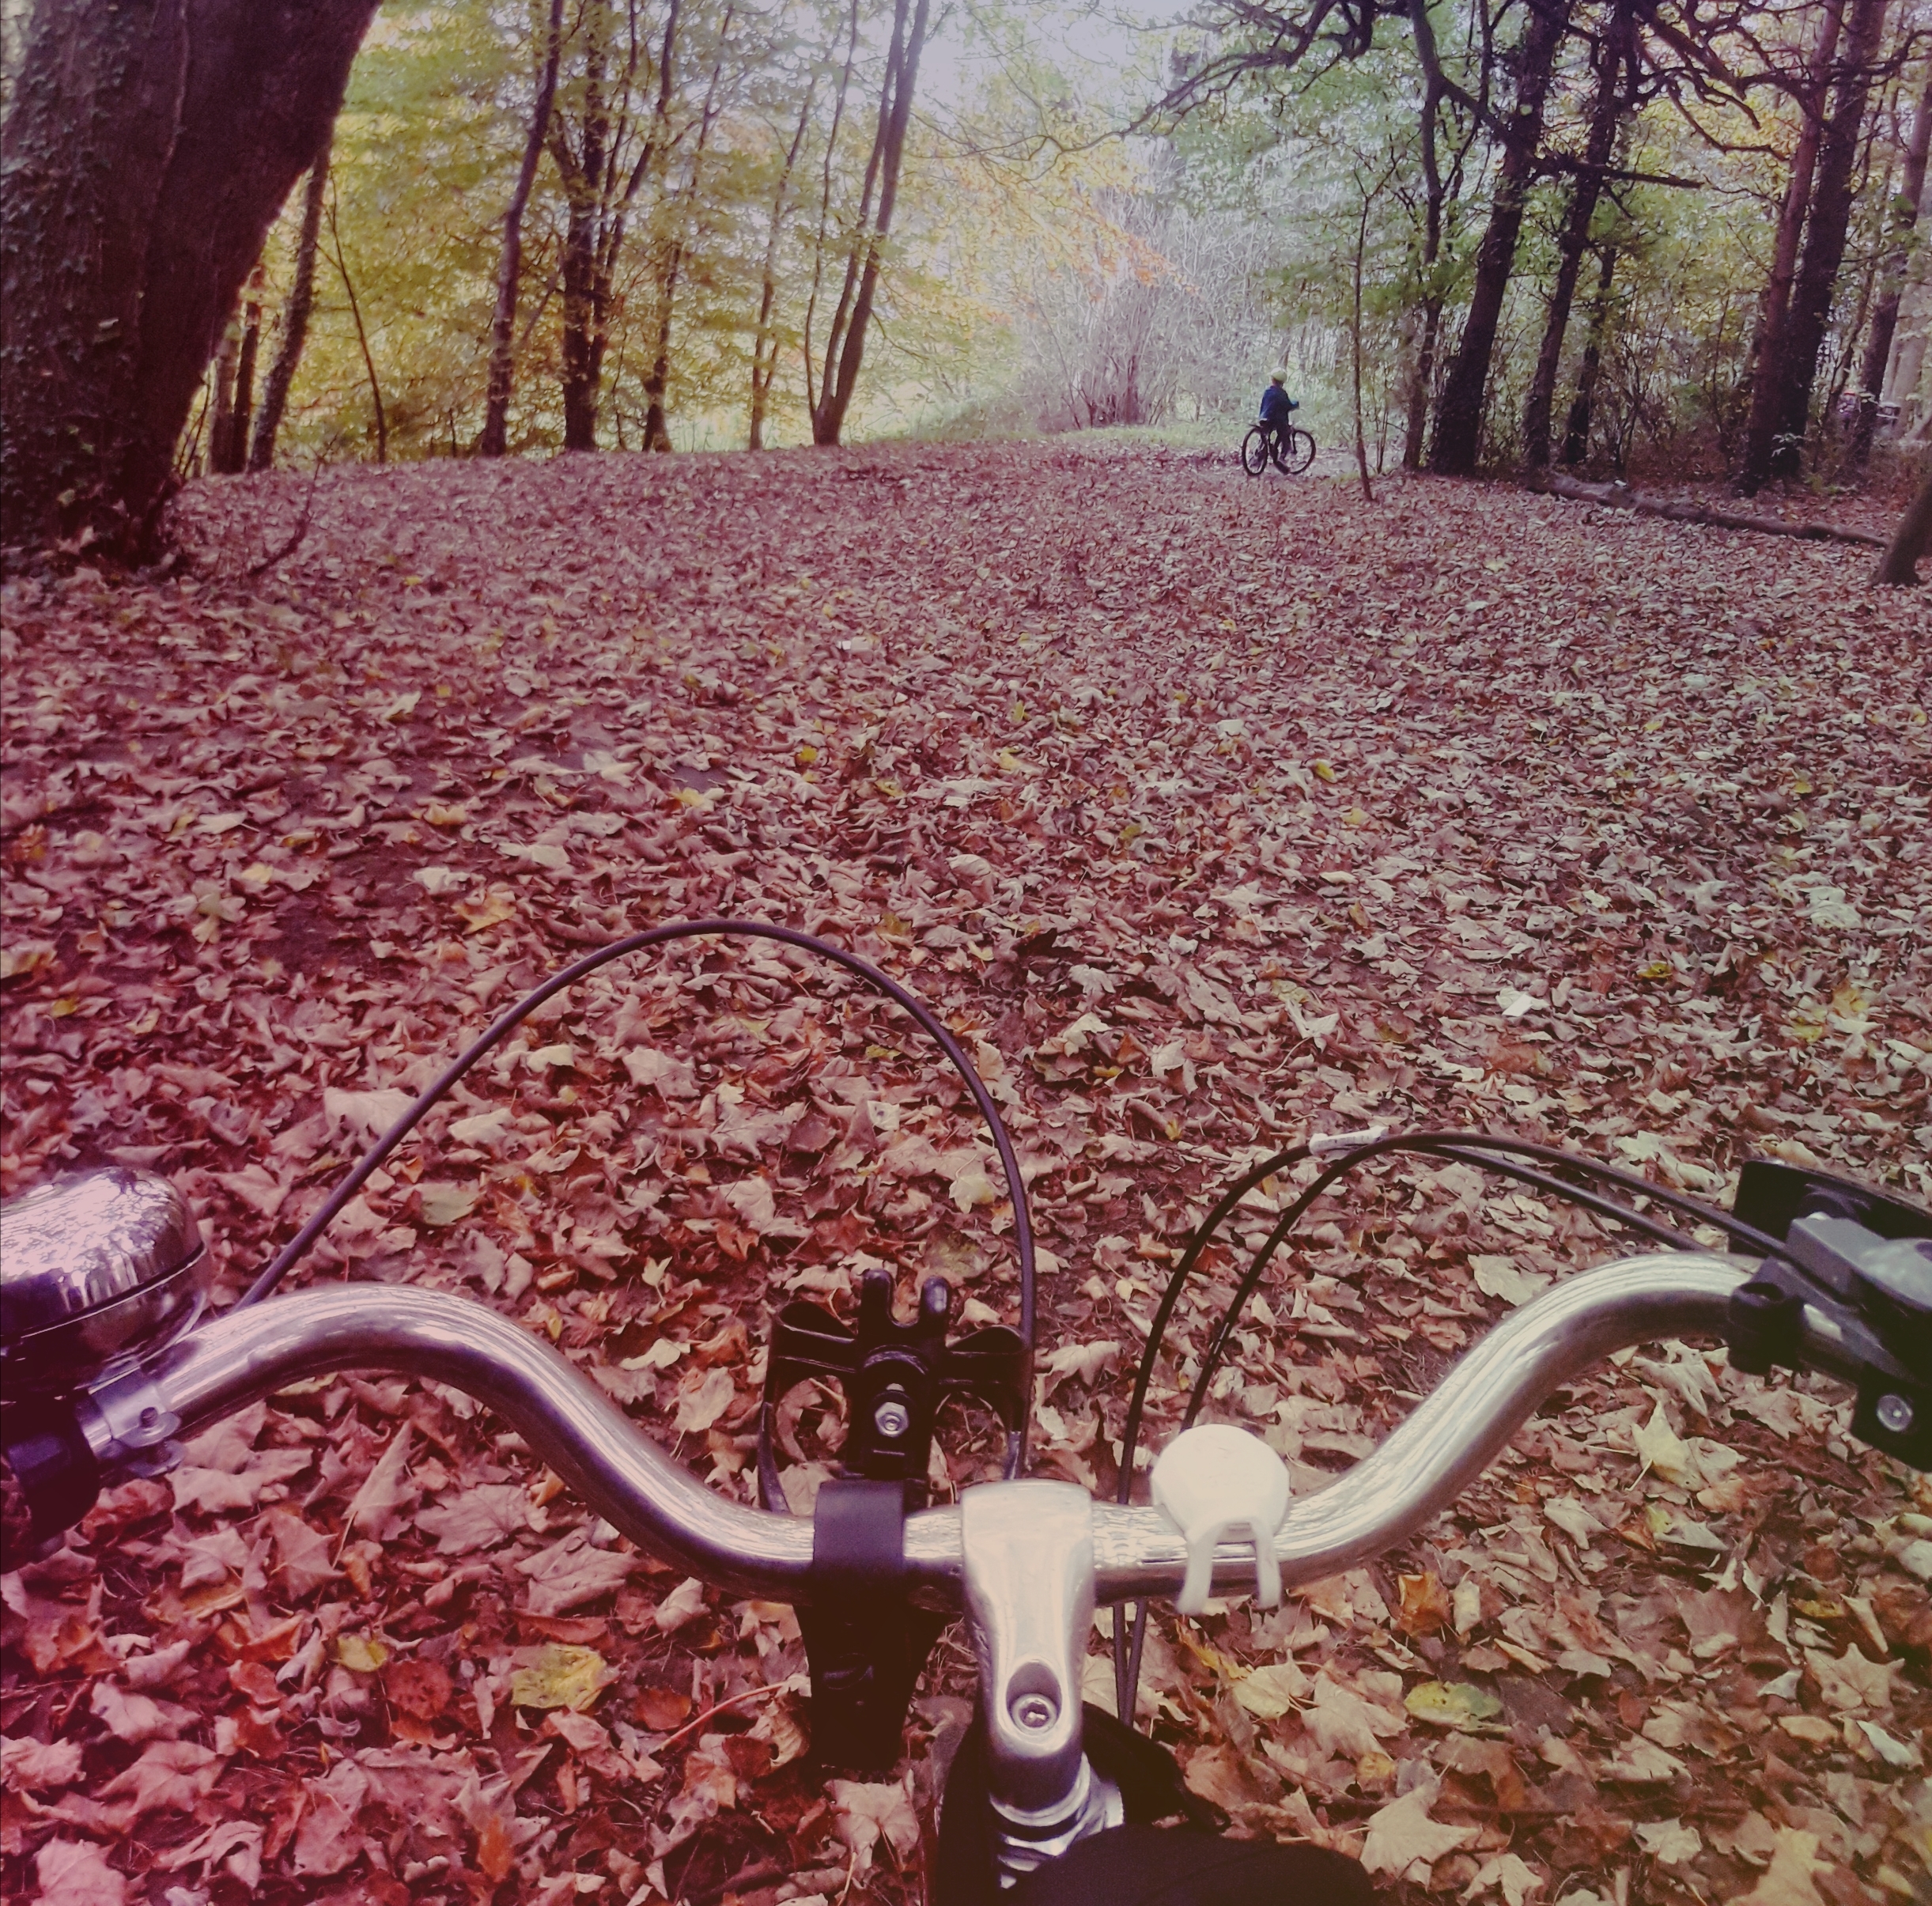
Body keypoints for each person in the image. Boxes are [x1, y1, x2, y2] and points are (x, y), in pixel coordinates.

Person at [1258, 371, 1299, 451]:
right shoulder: (1282, 394)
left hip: (1264, 418)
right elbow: (1288, 405)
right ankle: (1284, 453)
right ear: (1282, 382)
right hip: (1277, 421)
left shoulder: (1267, 391)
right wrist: (1296, 404)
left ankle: (1262, 452)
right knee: (1285, 433)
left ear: (1272, 380)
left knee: (1265, 435)